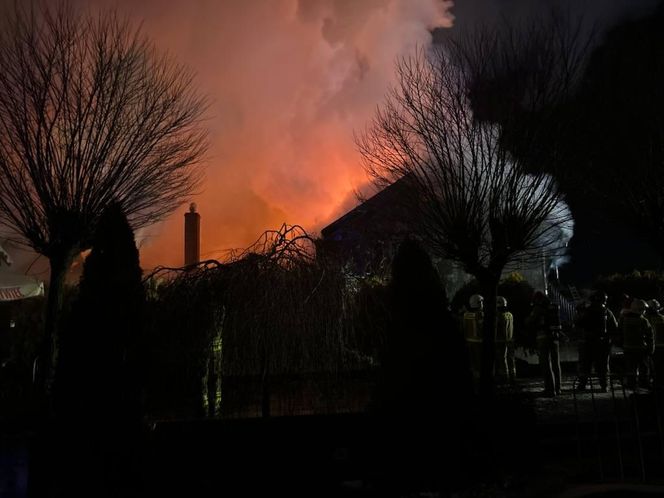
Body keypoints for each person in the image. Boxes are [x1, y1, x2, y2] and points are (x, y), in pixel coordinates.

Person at [575, 291, 618, 392]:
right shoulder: (607, 311)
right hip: (602, 343)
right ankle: (604, 386)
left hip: (588, 342)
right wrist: (610, 340)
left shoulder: (586, 310)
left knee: (585, 364)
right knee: (603, 365)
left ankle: (582, 384)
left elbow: (578, 323)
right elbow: (614, 327)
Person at [527, 291, 562, 397]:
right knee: (556, 363)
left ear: (537, 299)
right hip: (555, 338)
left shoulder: (537, 309)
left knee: (546, 364)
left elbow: (529, 321)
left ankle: (550, 390)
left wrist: (526, 318)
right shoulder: (553, 308)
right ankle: (558, 388)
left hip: (543, 338)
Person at [619, 298, 654, 389]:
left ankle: (631, 383)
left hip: (628, 348)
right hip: (641, 349)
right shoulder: (643, 321)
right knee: (644, 368)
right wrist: (651, 348)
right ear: (640, 309)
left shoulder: (624, 319)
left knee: (631, 368)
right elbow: (650, 335)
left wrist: (621, 344)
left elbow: (619, 333)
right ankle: (643, 383)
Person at [495, 296, 515, 383]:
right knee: (510, 359)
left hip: (501, 341)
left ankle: (504, 378)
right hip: (510, 340)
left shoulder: (499, 316)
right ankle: (512, 376)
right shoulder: (510, 314)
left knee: (502, 360)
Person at [463, 294, 484, 381]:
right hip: (479, 342)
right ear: (477, 303)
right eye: (481, 302)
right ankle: (480, 378)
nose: (482, 304)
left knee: (472, 362)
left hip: (469, 341)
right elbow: (482, 327)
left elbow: (463, 328)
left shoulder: (466, 314)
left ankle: (474, 378)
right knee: (479, 361)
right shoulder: (480, 315)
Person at [646, 299, 664, 387]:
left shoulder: (647, 319)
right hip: (661, 346)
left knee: (653, 367)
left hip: (653, 346)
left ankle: (654, 383)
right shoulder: (662, 318)